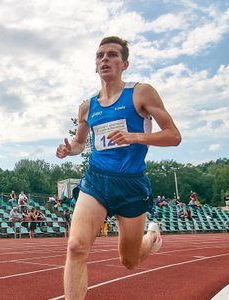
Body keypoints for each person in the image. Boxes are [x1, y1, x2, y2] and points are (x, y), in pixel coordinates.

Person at [55, 36, 181, 299]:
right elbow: (79, 143)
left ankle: (152, 238)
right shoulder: (88, 107)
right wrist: (70, 150)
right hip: (96, 181)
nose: (105, 60)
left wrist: (137, 137)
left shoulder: (141, 93)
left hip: (131, 184)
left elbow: (173, 136)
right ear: (95, 65)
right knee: (76, 247)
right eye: (100, 55)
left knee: (129, 260)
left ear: (124, 63)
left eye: (112, 55)